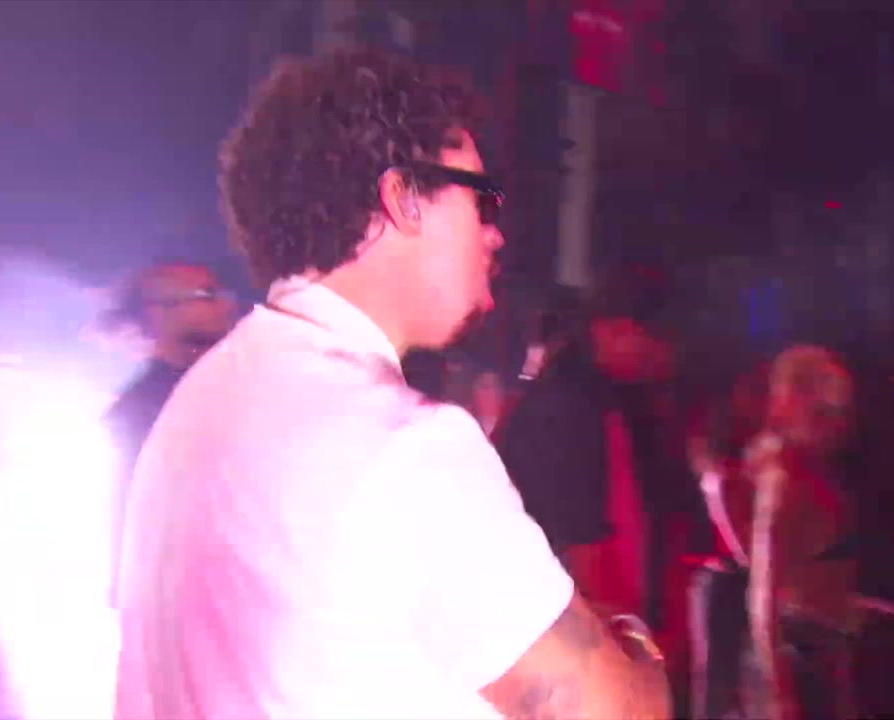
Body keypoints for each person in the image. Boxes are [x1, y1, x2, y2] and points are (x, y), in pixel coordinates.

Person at [113, 47, 669, 720]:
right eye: (481, 199)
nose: (494, 234)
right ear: (403, 198)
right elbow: (603, 709)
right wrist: (635, 646)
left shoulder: (198, 404)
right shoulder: (400, 440)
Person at [496, 268, 678, 627]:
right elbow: (582, 539)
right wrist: (614, 632)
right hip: (563, 619)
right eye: (652, 341)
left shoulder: (593, 397)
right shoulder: (571, 406)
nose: (659, 356)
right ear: (611, 330)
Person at [101, 260, 235, 602]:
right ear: (160, 312)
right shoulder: (141, 411)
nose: (226, 304)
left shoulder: (233, 382)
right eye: (207, 295)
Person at [742, 346, 861, 720]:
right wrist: (779, 688)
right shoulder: (783, 478)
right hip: (799, 651)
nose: (836, 426)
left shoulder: (811, 471)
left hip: (821, 646)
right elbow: (763, 587)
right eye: (824, 413)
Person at [685, 363, 769, 719]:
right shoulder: (721, 469)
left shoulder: (755, 462)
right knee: (720, 692)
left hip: (745, 585)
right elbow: (743, 547)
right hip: (726, 586)